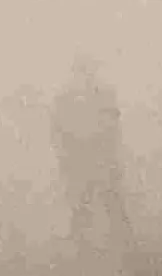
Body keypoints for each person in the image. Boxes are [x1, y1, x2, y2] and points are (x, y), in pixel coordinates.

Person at [49, 55, 134, 251]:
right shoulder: (68, 97)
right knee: (84, 211)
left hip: (99, 161)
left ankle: (124, 251)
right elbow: (58, 131)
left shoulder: (100, 94)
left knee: (109, 208)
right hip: (84, 162)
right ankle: (85, 253)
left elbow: (113, 126)